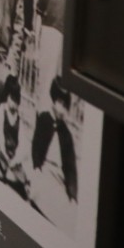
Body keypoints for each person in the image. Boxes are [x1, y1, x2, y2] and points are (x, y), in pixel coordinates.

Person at [31, 77, 79, 228]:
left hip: (59, 179)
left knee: (64, 213)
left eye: (65, 106)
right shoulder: (44, 119)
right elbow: (36, 146)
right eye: (60, 103)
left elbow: (70, 167)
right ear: (54, 101)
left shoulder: (66, 134)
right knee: (40, 196)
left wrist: (72, 194)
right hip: (44, 170)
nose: (62, 109)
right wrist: (37, 167)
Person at [33, 0, 69, 113]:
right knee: (44, 84)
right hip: (47, 37)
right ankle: (41, 116)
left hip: (62, 40)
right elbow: (39, 14)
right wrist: (37, 47)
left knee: (58, 85)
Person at [0, 76, 29, 197]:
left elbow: (22, 142)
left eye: (16, 102)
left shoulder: (18, 118)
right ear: (7, 97)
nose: (14, 104)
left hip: (13, 154)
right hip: (2, 150)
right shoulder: (2, 109)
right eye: (12, 99)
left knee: (20, 175)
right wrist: (4, 151)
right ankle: (2, 169)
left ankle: (14, 176)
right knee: (2, 166)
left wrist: (15, 159)